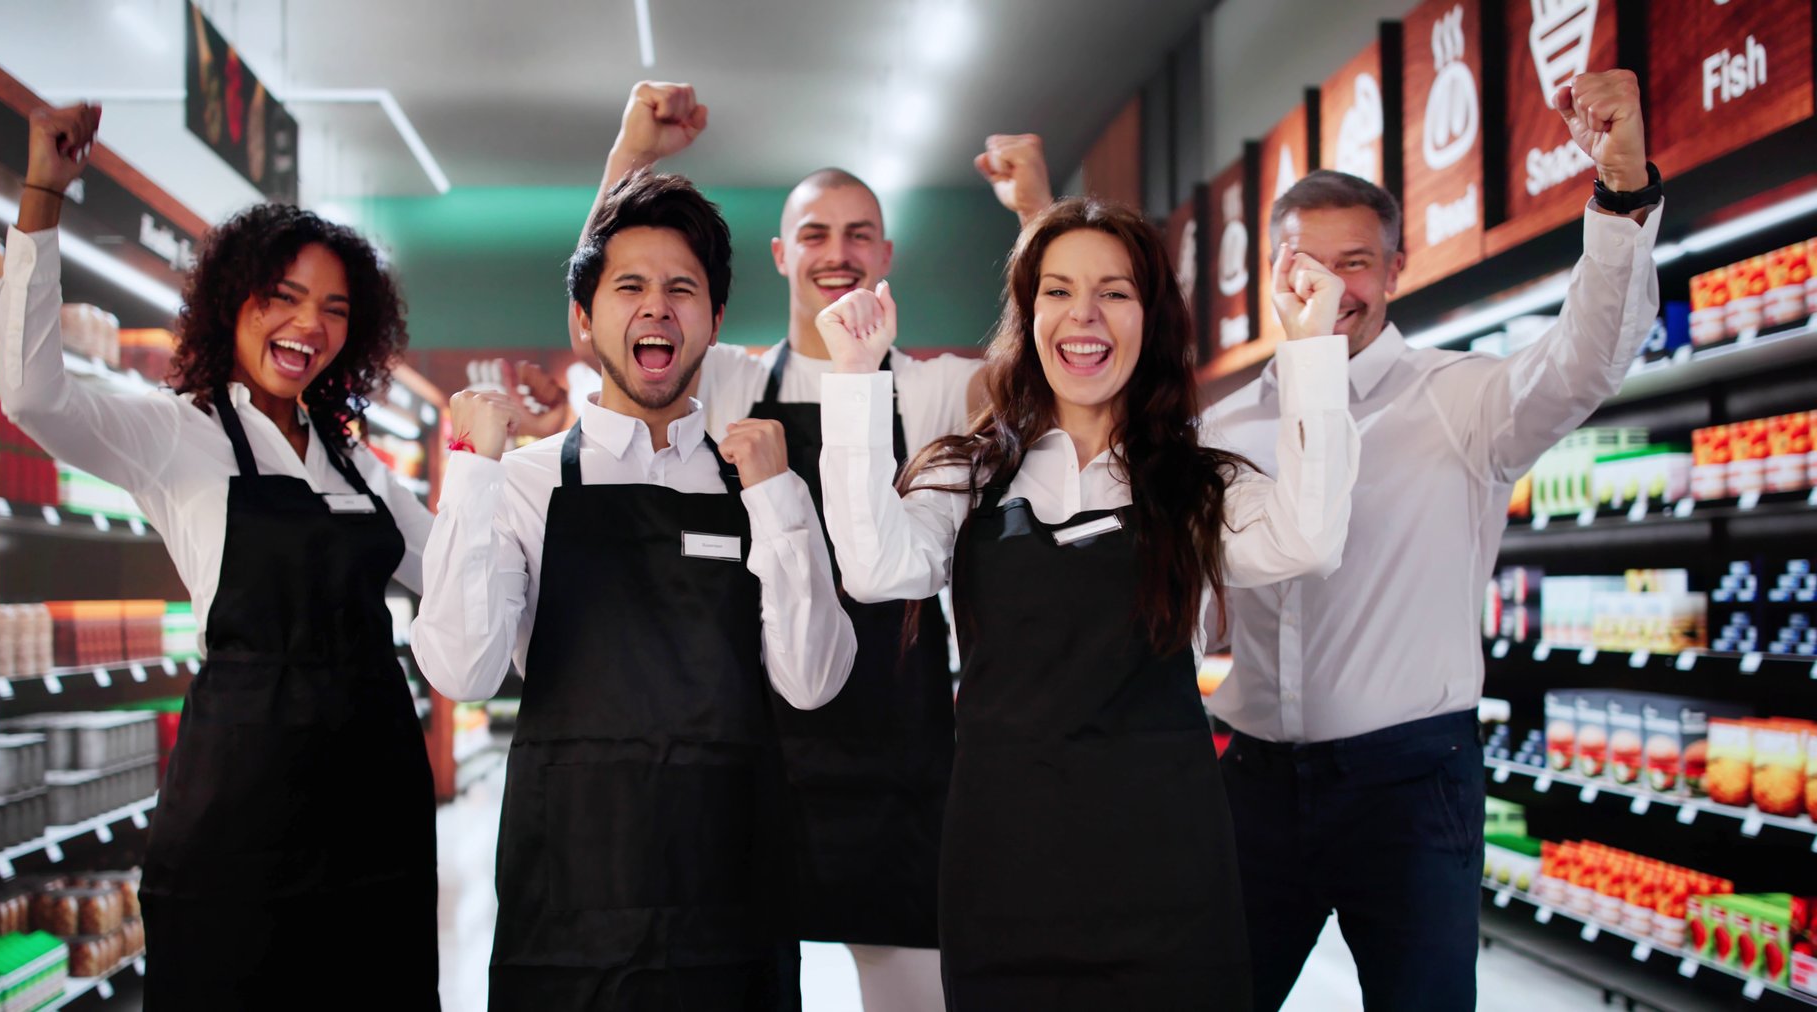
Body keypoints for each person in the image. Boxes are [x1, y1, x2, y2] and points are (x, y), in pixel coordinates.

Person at [814, 197, 1359, 1010]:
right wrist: (857, 380)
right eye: (1059, 290)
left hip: (1167, 876)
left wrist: (1313, 352)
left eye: (1116, 291)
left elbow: (1308, 539)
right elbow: (873, 566)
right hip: (1006, 872)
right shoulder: (967, 476)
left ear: (1151, 317)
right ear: (1029, 314)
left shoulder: (1195, 482)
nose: (1085, 315)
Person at [1201, 70, 1663, 1011]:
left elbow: (1590, 356)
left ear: (1397, 269)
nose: (1331, 286)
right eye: (1304, 262)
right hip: (1248, 783)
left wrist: (1618, 195)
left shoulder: (1460, 400)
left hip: (1410, 787)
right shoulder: (1225, 429)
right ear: (1271, 276)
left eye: (1358, 261)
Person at [577, 82, 1015, 1010]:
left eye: (859, 234)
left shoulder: (933, 391)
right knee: (744, 981)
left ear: (887, 255)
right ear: (782, 254)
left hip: (900, 745)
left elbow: (1054, 356)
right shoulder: (728, 380)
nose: (838, 254)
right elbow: (615, 321)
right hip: (753, 738)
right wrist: (630, 159)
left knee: (912, 989)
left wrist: (1038, 214)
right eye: (816, 234)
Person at [0, 105, 439, 1009]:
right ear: (232, 300)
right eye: (283, 295)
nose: (307, 324)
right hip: (241, 804)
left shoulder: (358, 460)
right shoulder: (174, 433)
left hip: (374, 801)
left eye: (334, 309)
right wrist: (43, 197)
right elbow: (30, 394)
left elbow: (457, 571)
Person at [410, 170, 858, 1010]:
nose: (657, 307)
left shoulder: (756, 482)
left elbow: (814, 679)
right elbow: (462, 671)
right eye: (631, 286)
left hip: (732, 896)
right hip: (569, 905)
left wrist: (780, 497)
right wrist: (470, 471)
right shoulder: (522, 481)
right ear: (586, 319)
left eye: (682, 288)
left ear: (715, 322)